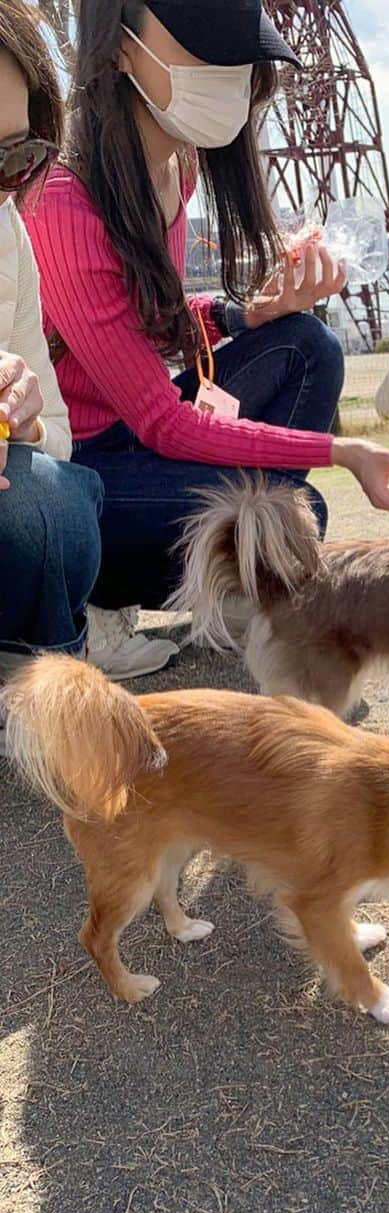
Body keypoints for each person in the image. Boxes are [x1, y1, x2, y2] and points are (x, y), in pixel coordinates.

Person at [23, 0, 389, 677]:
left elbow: (148, 317)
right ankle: (99, 600)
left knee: (306, 346)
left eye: (239, 56)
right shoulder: (64, 204)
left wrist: (248, 314)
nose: (229, 73)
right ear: (119, 49)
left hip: (131, 435)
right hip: (81, 470)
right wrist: (342, 449)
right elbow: (162, 422)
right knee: (303, 518)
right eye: (203, 50)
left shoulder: (175, 167)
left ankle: (240, 581)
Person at [0, 0, 109, 752]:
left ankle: (36, 686)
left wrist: (24, 418)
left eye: (12, 158)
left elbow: (59, 438)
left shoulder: (10, 230)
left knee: (50, 499)